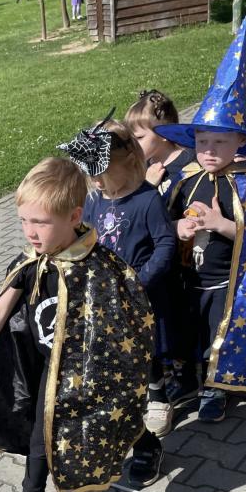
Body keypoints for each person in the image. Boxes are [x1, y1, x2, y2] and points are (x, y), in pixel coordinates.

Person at [0, 153, 155, 492]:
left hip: (91, 370)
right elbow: (0, 307)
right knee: (42, 436)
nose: (30, 233)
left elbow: (125, 322)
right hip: (44, 369)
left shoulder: (99, 268)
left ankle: (147, 444)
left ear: (74, 216)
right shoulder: (31, 262)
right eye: (24, 221)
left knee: (116, 416)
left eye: (41, 222)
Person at [156, 18, 246, 423]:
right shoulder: (185, 179)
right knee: (190, 332)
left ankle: (215, 389)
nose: (209, 150)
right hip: (190, 279)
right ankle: (189, 381)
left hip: (229, 283)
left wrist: (222, 225)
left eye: (220, 141)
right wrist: (178, 228)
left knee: (218, 337)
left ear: (240, 141)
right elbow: (163, 222)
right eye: (202, 141)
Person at [82, 117, 178, 439]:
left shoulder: (147, 199)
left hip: (141, 291)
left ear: (127, 162)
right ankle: (122, 395)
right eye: (91, 174)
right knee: (114, 345)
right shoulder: (94, 199)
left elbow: (165, 243)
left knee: (146, 345)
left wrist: (140, 280)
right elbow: (84, 236)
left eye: (102, 172)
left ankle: (158, 395)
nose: (96, 181)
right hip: (106, 291)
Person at [125, 90, 197, 406]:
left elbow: (190, 212)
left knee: (180, 320)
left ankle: (186, 376)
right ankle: (168, 371)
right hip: (157, 260)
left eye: (139, 137)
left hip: (183, 262)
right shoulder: (147, 166)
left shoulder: (187, 165)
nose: (133, 144)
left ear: (165, 134)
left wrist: (151, 188)